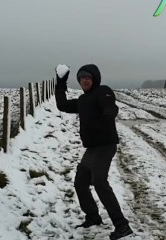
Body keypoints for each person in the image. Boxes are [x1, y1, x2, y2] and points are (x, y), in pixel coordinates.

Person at [54, 64, 133, 240]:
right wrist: (60, 84)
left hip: (106, 145)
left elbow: (109, 104)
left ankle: (122, 225)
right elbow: (62, 105)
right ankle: (93, 217)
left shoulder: (102, 91)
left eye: (87, 78)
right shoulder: (83, 100)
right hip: (92, 148)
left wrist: (109, 112)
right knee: (80, 182)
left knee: (99, 182)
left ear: (95, 79)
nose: (84, 81)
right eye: (81, 78)